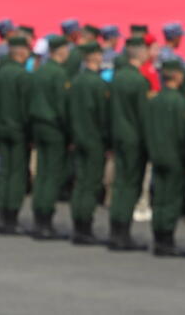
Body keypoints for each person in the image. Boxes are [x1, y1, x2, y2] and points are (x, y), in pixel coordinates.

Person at [144, 60, 185, 257]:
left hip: (156, 155)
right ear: (176, 76)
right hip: (174, 157)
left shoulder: (154, 100)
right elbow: (183, 134)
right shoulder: (179, 101)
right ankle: (166, 240)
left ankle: (158, 238)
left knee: (159, 197)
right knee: (171, 199)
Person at [108, 35, 151, 251]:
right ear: (140, 53)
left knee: (119, 184)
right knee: (130, 185)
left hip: (118, 136)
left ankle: (115, 231)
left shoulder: (118, 77)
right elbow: (143, 116)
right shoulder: (138, 80)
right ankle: (123, 234)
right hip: (134, 139)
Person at [28, 35, 71, 240]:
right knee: (52, 174)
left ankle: (38, 217)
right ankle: (45, 219)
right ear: (59, 51)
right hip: (54, 128)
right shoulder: (58, 73)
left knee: (42, 173)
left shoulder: (39, 71)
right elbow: (62, 106)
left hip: (38, 125)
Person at [68, 42, 109, 245]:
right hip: (93, 140)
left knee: (80, 182)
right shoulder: (98, 84)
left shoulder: (76, 81)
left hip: (78, 137)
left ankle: (78, 225)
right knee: (90, 183)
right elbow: (102, 116)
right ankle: (85, 227)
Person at [0, 36, 32, 235]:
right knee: (16, 174)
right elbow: (26, 107)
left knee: (5, 173)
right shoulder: (22, 75)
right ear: (21, 52)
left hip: (1, 128)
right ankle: (11, 217)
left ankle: (2, 214)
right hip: (17, 130)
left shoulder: (0, 74)